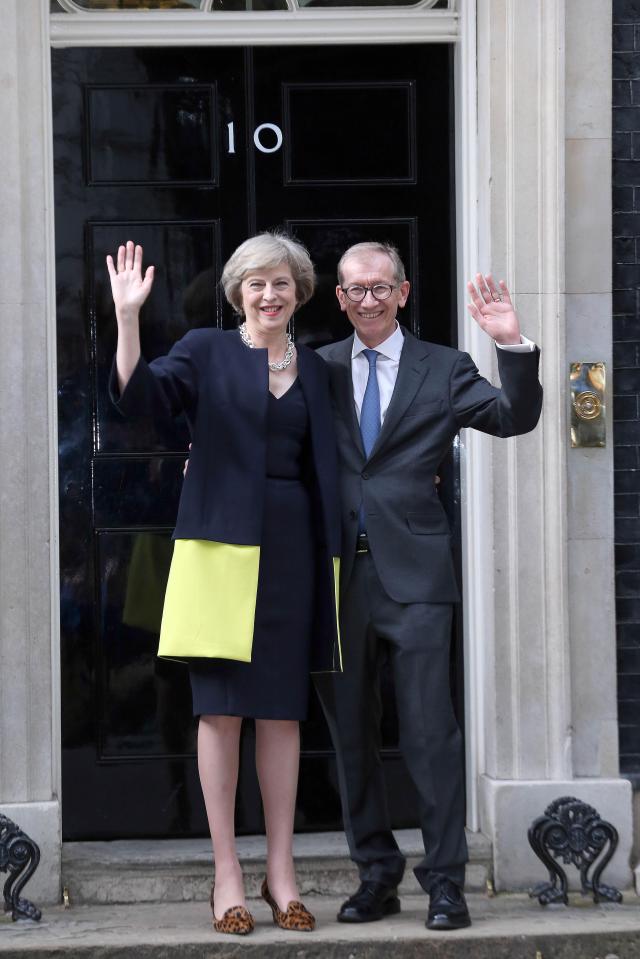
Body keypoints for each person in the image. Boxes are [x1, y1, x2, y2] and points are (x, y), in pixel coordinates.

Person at [107, 234, 341, 936]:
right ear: (237, 292)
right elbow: (140, 399)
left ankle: (282, 873)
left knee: (281, 709)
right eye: (254, 284)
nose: (268, 295)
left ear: (299, 292)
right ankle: (227, 874)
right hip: (216, 548)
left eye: (281, 283)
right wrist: (127, 319)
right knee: (220, 710)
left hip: (294, 548)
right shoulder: (207, 350)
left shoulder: (322, 369)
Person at [314, 241, 543, 932]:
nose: (368, 299)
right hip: (335, 577)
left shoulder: (444, 367)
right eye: (355, 289)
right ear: (340, 297)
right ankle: (375, 874)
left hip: (414, 576)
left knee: (429, 734)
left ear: (403, 292)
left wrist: (513, 344)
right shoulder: (315, 368)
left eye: (380, 287)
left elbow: (514, 417)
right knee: (350, 736)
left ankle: (445, 883)